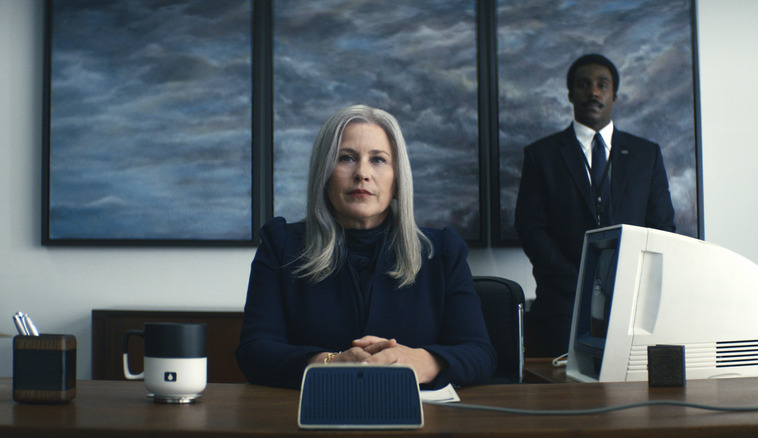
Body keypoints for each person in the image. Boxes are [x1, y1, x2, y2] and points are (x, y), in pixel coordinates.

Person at [236, 104, 496, 389]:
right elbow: (254, 352)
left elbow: (480, 354)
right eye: (346, 158)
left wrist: (421, 362)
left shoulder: (443, 251)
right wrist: (328, 363)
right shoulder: (281, 244)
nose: (362, 173)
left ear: (398, 179)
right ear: (324, 173)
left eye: (378, 160)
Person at [515, 54, 676, 357]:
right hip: (564, 304)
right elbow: (530, 228)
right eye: (584, 85)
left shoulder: (647, 155)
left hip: (634, 305)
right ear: (570, 94)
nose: (593, 92)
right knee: (566, 397)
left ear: (614, 95)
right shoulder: (542, 155)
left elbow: (663, 227)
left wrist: (631, 278)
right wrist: (577, 281)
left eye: (602, 85)